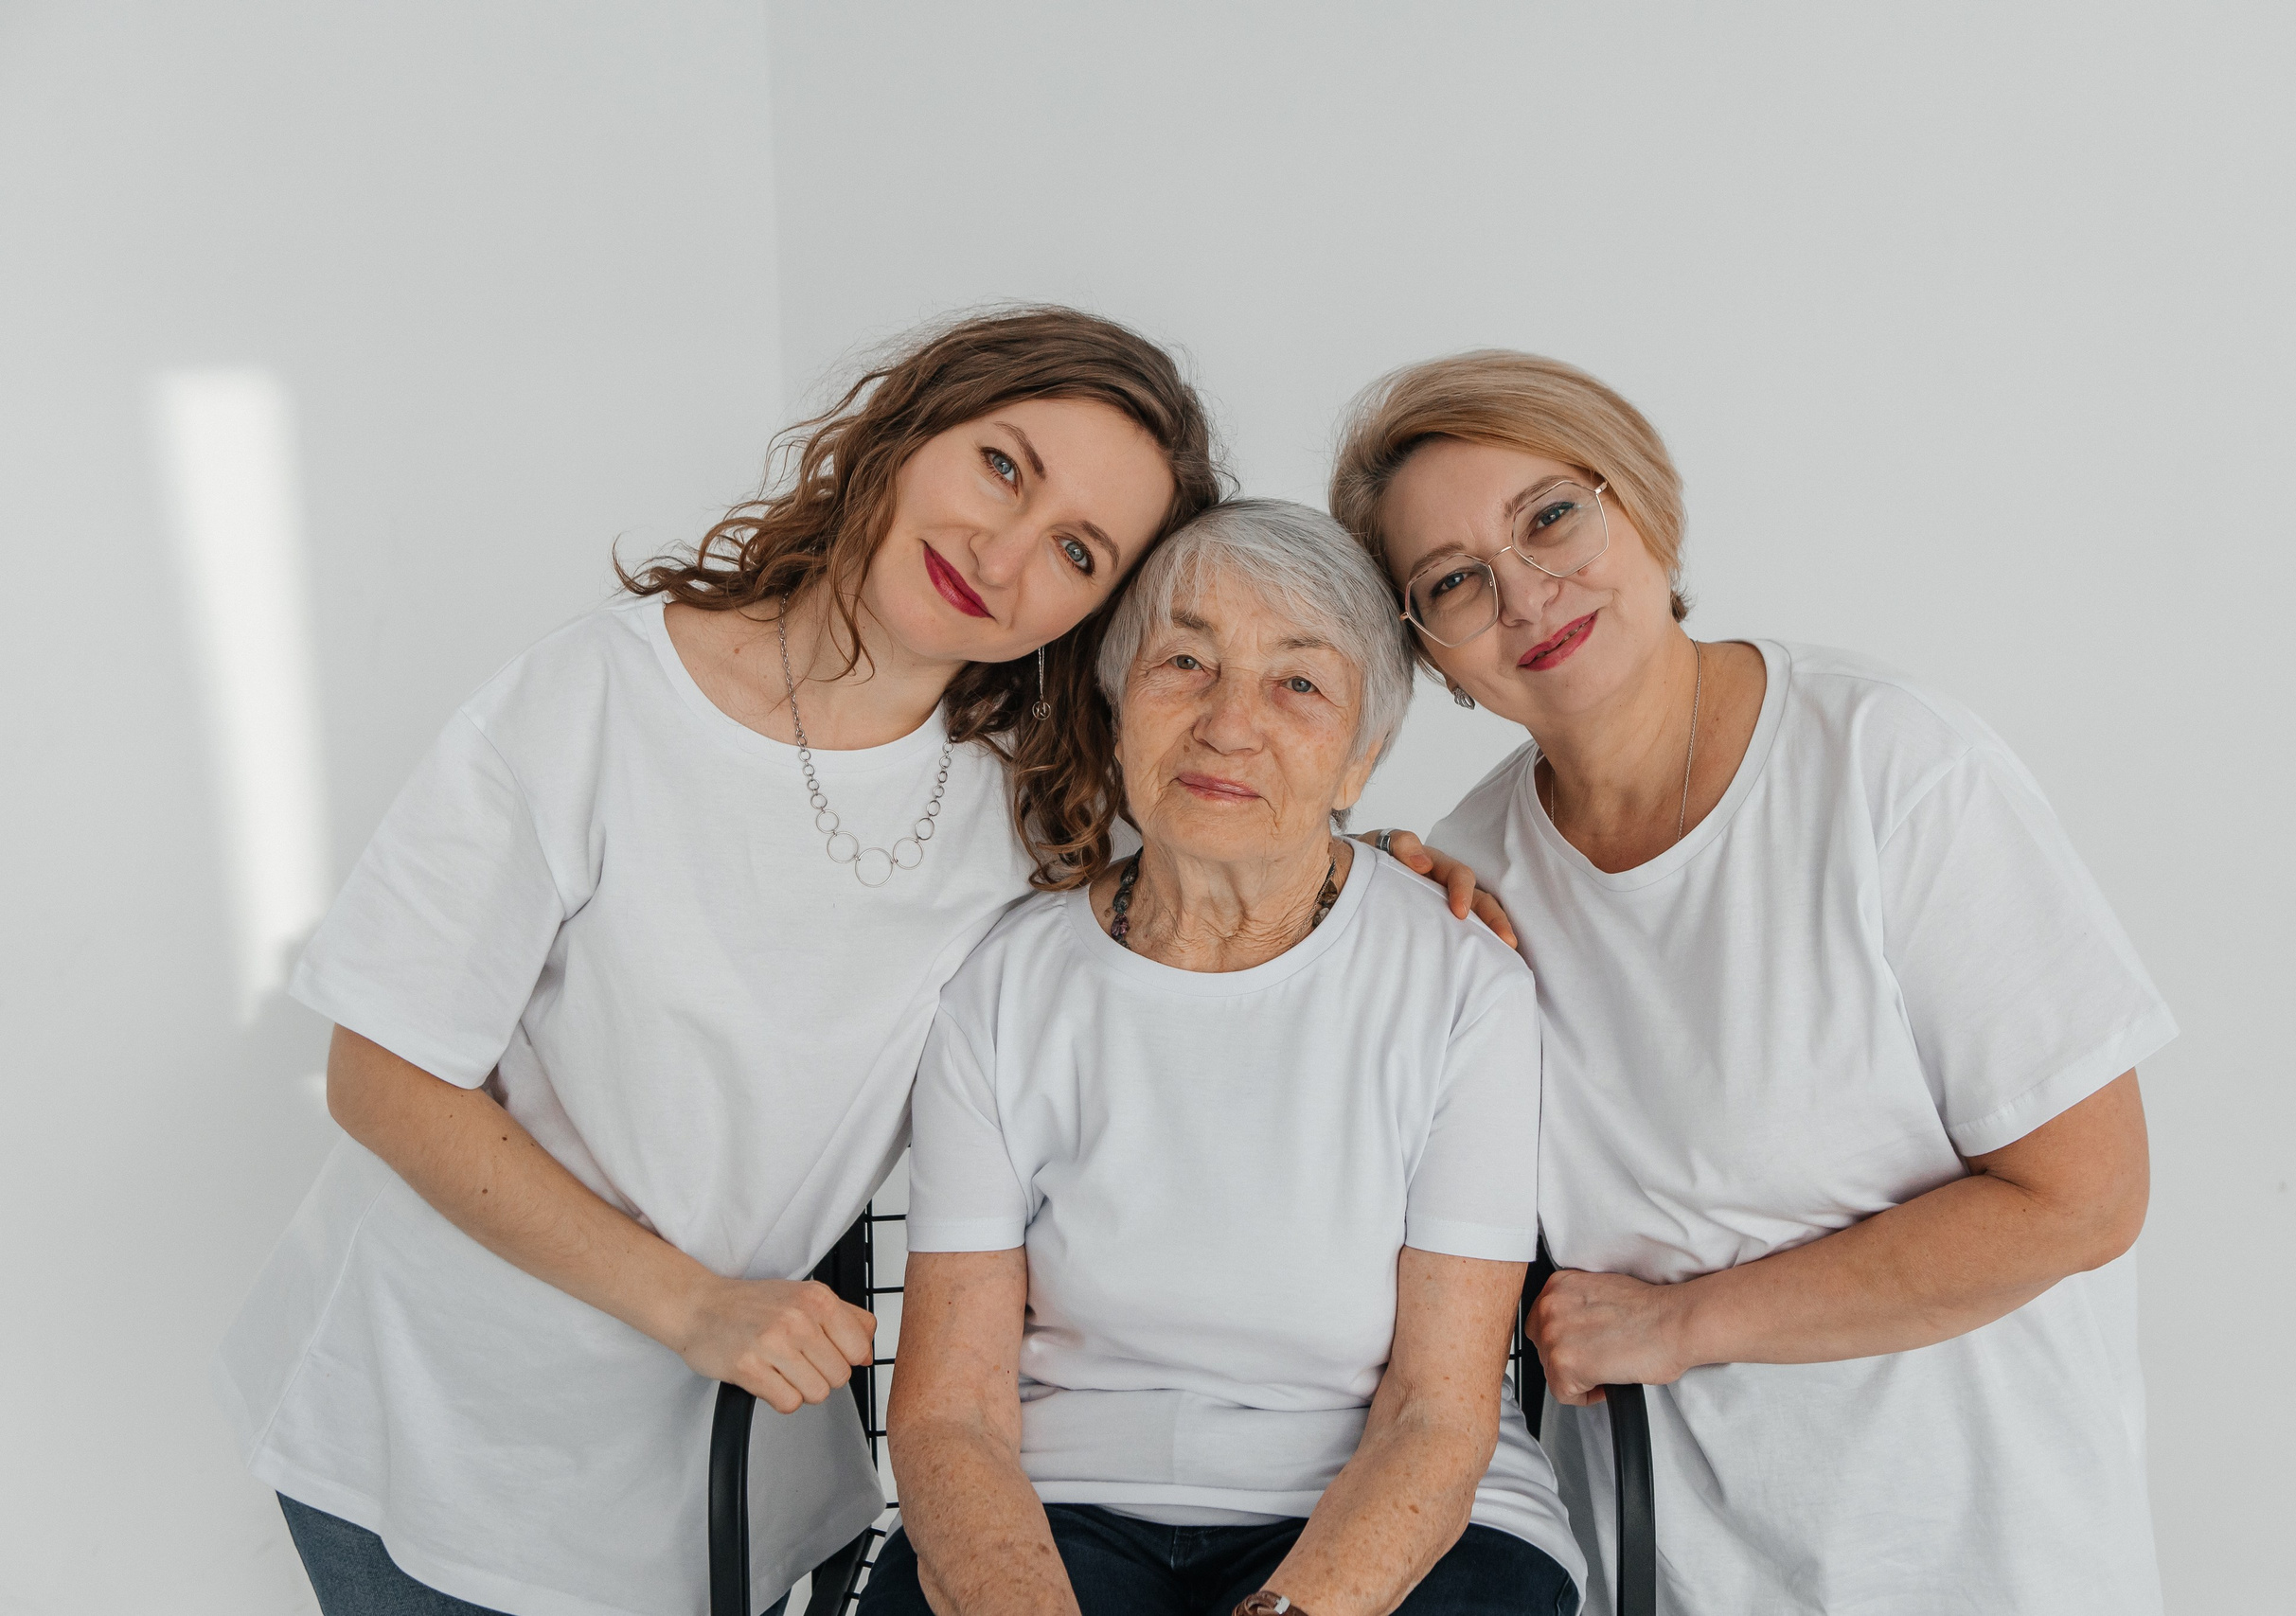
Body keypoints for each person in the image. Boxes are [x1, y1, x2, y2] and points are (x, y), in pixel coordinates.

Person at [211, 308, 1225, 1616]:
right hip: (435, 1426)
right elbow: (382, 1075)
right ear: (911, 427)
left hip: (721, 1473)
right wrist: (694, 1305)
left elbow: (1243, 880)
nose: (1004, 547)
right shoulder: (595, 701)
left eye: (1078, 549)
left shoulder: (1036, 823)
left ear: (1097, 611)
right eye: (1002, 466)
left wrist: (1396, 873)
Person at [1332, 352, 2178, 1616]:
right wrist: (1353, 923)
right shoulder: (1471, 875)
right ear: (1434, 655)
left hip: (1981, 1563)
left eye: (1550, 517)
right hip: (1670, 1576)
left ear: (1646, 509)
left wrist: (1683, 1323)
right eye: (1454, 581)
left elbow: (2083, 1199)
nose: (1524, 592)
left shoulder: (1891, 766)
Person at [859, 501, 1586, 1616]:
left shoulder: (1459, 983)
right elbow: (950, 1410)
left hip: (1398, 1511)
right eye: (1184, 662)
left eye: (1298, 684)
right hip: (1056, 1505)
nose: (1227, 724)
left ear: (1361, 758)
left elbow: (1436, 1414)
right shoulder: (1005, 984)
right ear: (1115, 712)